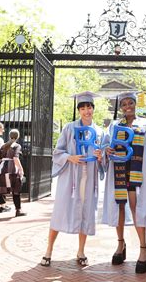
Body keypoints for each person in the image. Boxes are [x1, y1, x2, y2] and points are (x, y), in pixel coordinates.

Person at [40, 91, 104, 267]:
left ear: (93, 109)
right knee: (60, 213)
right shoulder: (69, 128)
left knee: (85, 213)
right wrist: (71, 157)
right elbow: (57, 152)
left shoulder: (99, 131)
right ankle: (48, 251)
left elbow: (104, 158)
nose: (86, 111)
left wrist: (100, 156)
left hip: (88, 179)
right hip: (70, 179)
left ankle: (81, 251)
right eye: (82, 108)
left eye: (89, 107)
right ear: (79, 110)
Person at [102, 91, 146, 274]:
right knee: (119, 206)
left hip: (137, 171)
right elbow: (106, 145)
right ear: (121, 107)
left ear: (135, 104)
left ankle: (143, 248)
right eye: (123, 104)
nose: (127, 106)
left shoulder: (145, 123)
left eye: (130, 103)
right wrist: (106, 150)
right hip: (119, 169)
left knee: (135, 206)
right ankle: (120, 245)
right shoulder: (115, 124)